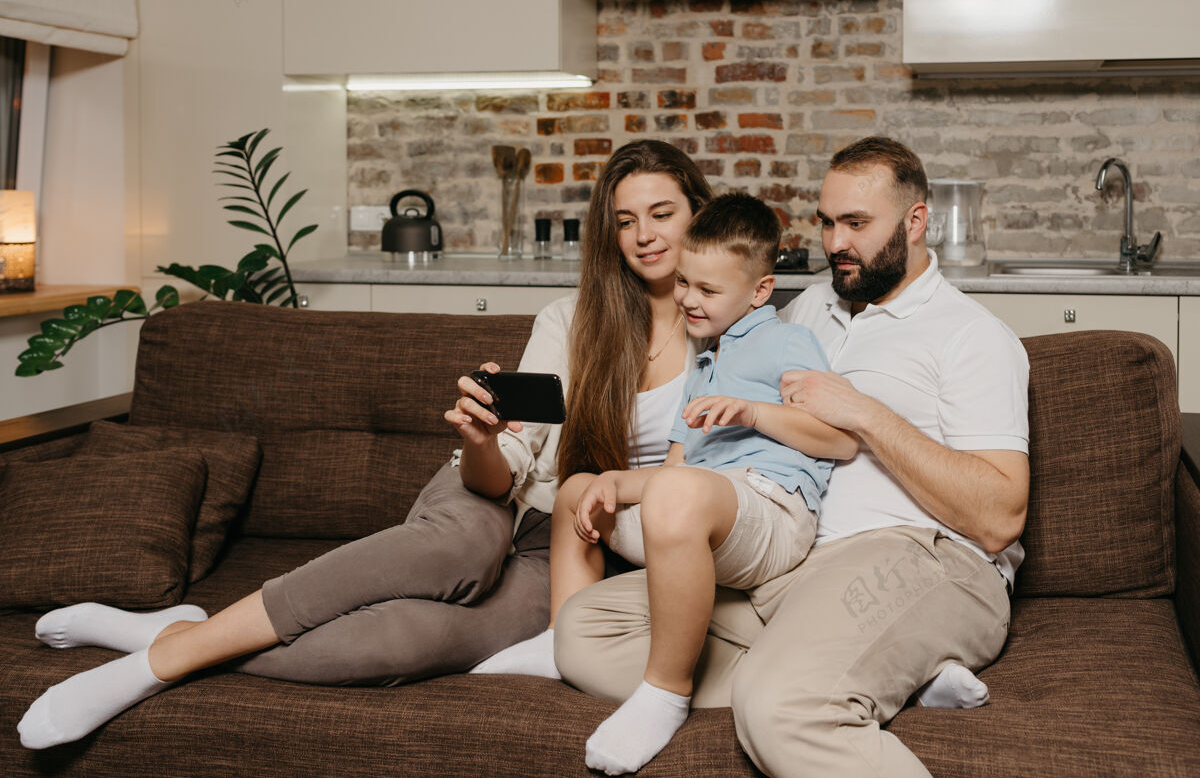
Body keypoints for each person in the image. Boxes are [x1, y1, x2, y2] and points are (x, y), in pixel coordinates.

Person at [16, 138, 715, 750]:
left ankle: (168, 633)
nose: (644, 235)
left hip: (571, 555)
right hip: (494, 497)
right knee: (461, 549)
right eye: (625, 220)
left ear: (698, 215)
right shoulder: (572, 318)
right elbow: (506, 468)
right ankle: (155, 665)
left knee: (394, 643)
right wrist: (481, 437)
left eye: (662, 214)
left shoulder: (728, 336)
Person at [553, 136, 1030, 778]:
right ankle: (892, 677)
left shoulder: (972, 335)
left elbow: (1000, 516)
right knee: (582, 632)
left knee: (778, 707)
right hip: (792, 564)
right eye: (828, 222)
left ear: (916, 222)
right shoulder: (809, 309)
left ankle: (814, 681)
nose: (836, 243)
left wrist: (862, 411)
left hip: (921, 557)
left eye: (857, 224)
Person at [480, 193, 858, 775]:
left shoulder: (787, 343)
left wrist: (754, 413)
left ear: (760, 291)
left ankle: (665, 692)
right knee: (579, 486)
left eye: (708, 291)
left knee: (678, 494)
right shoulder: (703, 362)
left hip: (772, 511)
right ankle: (561, 641)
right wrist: (613, 483)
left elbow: (841, 440)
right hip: (698, 513)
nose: (686, 299)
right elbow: (676, 470)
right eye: (683, 283)